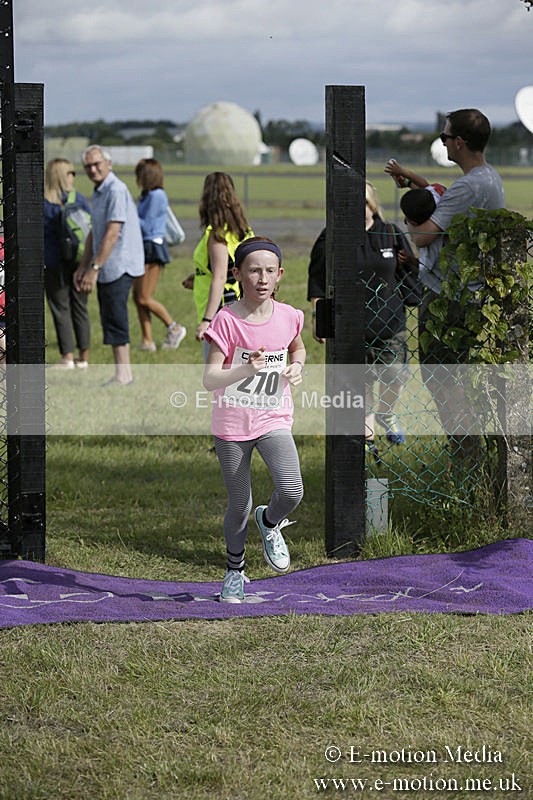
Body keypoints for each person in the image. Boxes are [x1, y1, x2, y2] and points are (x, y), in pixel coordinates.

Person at [203, 236, 306, 603]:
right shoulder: (227, 320)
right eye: (253, 271)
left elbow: (297, 344)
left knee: (292, 490)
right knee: (239, 504)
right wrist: (243, 370)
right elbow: (210, 378)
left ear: (280, 275)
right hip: (232, 425)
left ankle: (270, 521)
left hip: (273, 416)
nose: (262, 278)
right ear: (238, 274)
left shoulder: (290, 315)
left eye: (269, 271)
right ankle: (235, 571)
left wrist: (297, 366)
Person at [402, 109, 505, 458]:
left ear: (459, 142)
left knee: (440, 377)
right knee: (458, 379)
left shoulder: (467, 186)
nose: (443, 142)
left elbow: (425, 237)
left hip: (451, 296)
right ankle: (471, 452)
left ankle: (464, 453)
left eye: (446, 137)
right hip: (474, 292)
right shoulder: (490, 178)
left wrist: (411, 219)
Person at [307, 182, 419, 461]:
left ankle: (386, 414)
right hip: (351, 326)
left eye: (362, 204)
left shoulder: (390, 233)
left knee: (395, 377)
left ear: (371, 205)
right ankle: (369, 442)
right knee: (361, 384)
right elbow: (318, 280)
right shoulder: (332, 237)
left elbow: (409, 270)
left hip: (390, 324)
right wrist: (318, 318)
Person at [74, 146, 144, 385]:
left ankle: (125, 375)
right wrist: (84, 265)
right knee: (110, 317)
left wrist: (93, 269)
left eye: (97, 164)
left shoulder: (116, 189)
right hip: (106, 264)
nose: (93, 170)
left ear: (109, 164)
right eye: (88, 167)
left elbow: (113, 233)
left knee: (116, 317)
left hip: (119, 264)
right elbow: (96, 230)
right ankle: (121, 373)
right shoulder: (100, 191)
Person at [189, 172, 254, 356]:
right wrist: (198, 277)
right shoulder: (244, 231)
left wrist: (207, 320)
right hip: (243, 305)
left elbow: (220, 276)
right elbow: (230, 268)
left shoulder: (217, 234)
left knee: (218, 376)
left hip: (222, 311)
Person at [132, 158, 186, 352]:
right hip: (143, 247)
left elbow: (148, 226)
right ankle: (147, 341)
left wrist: (129, 214)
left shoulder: (157, 196)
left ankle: (174, 327)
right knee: (137, 297)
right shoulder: (146, 196)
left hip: (153, 248)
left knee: (145, 297)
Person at [44, 158, 91, 369]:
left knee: (60, 308)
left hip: (53, 262)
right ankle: (84, 356)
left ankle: (67, 356)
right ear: (65, 175)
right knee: (80, 308)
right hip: (80, 259)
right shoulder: (78, 199)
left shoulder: (43, 202)